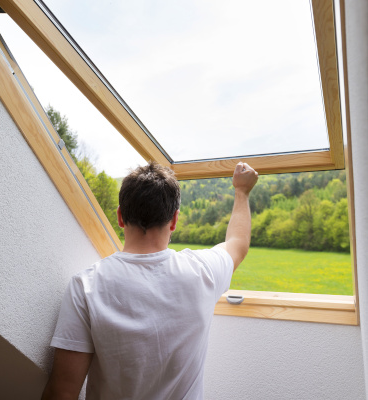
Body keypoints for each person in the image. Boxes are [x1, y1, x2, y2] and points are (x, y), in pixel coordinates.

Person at [41, 161, 258, 400]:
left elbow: (62, 393)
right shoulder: (202, 271)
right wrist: (241, 191)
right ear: (174, 220)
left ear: (120, 217)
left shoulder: (85, 287)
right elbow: (238, 243)